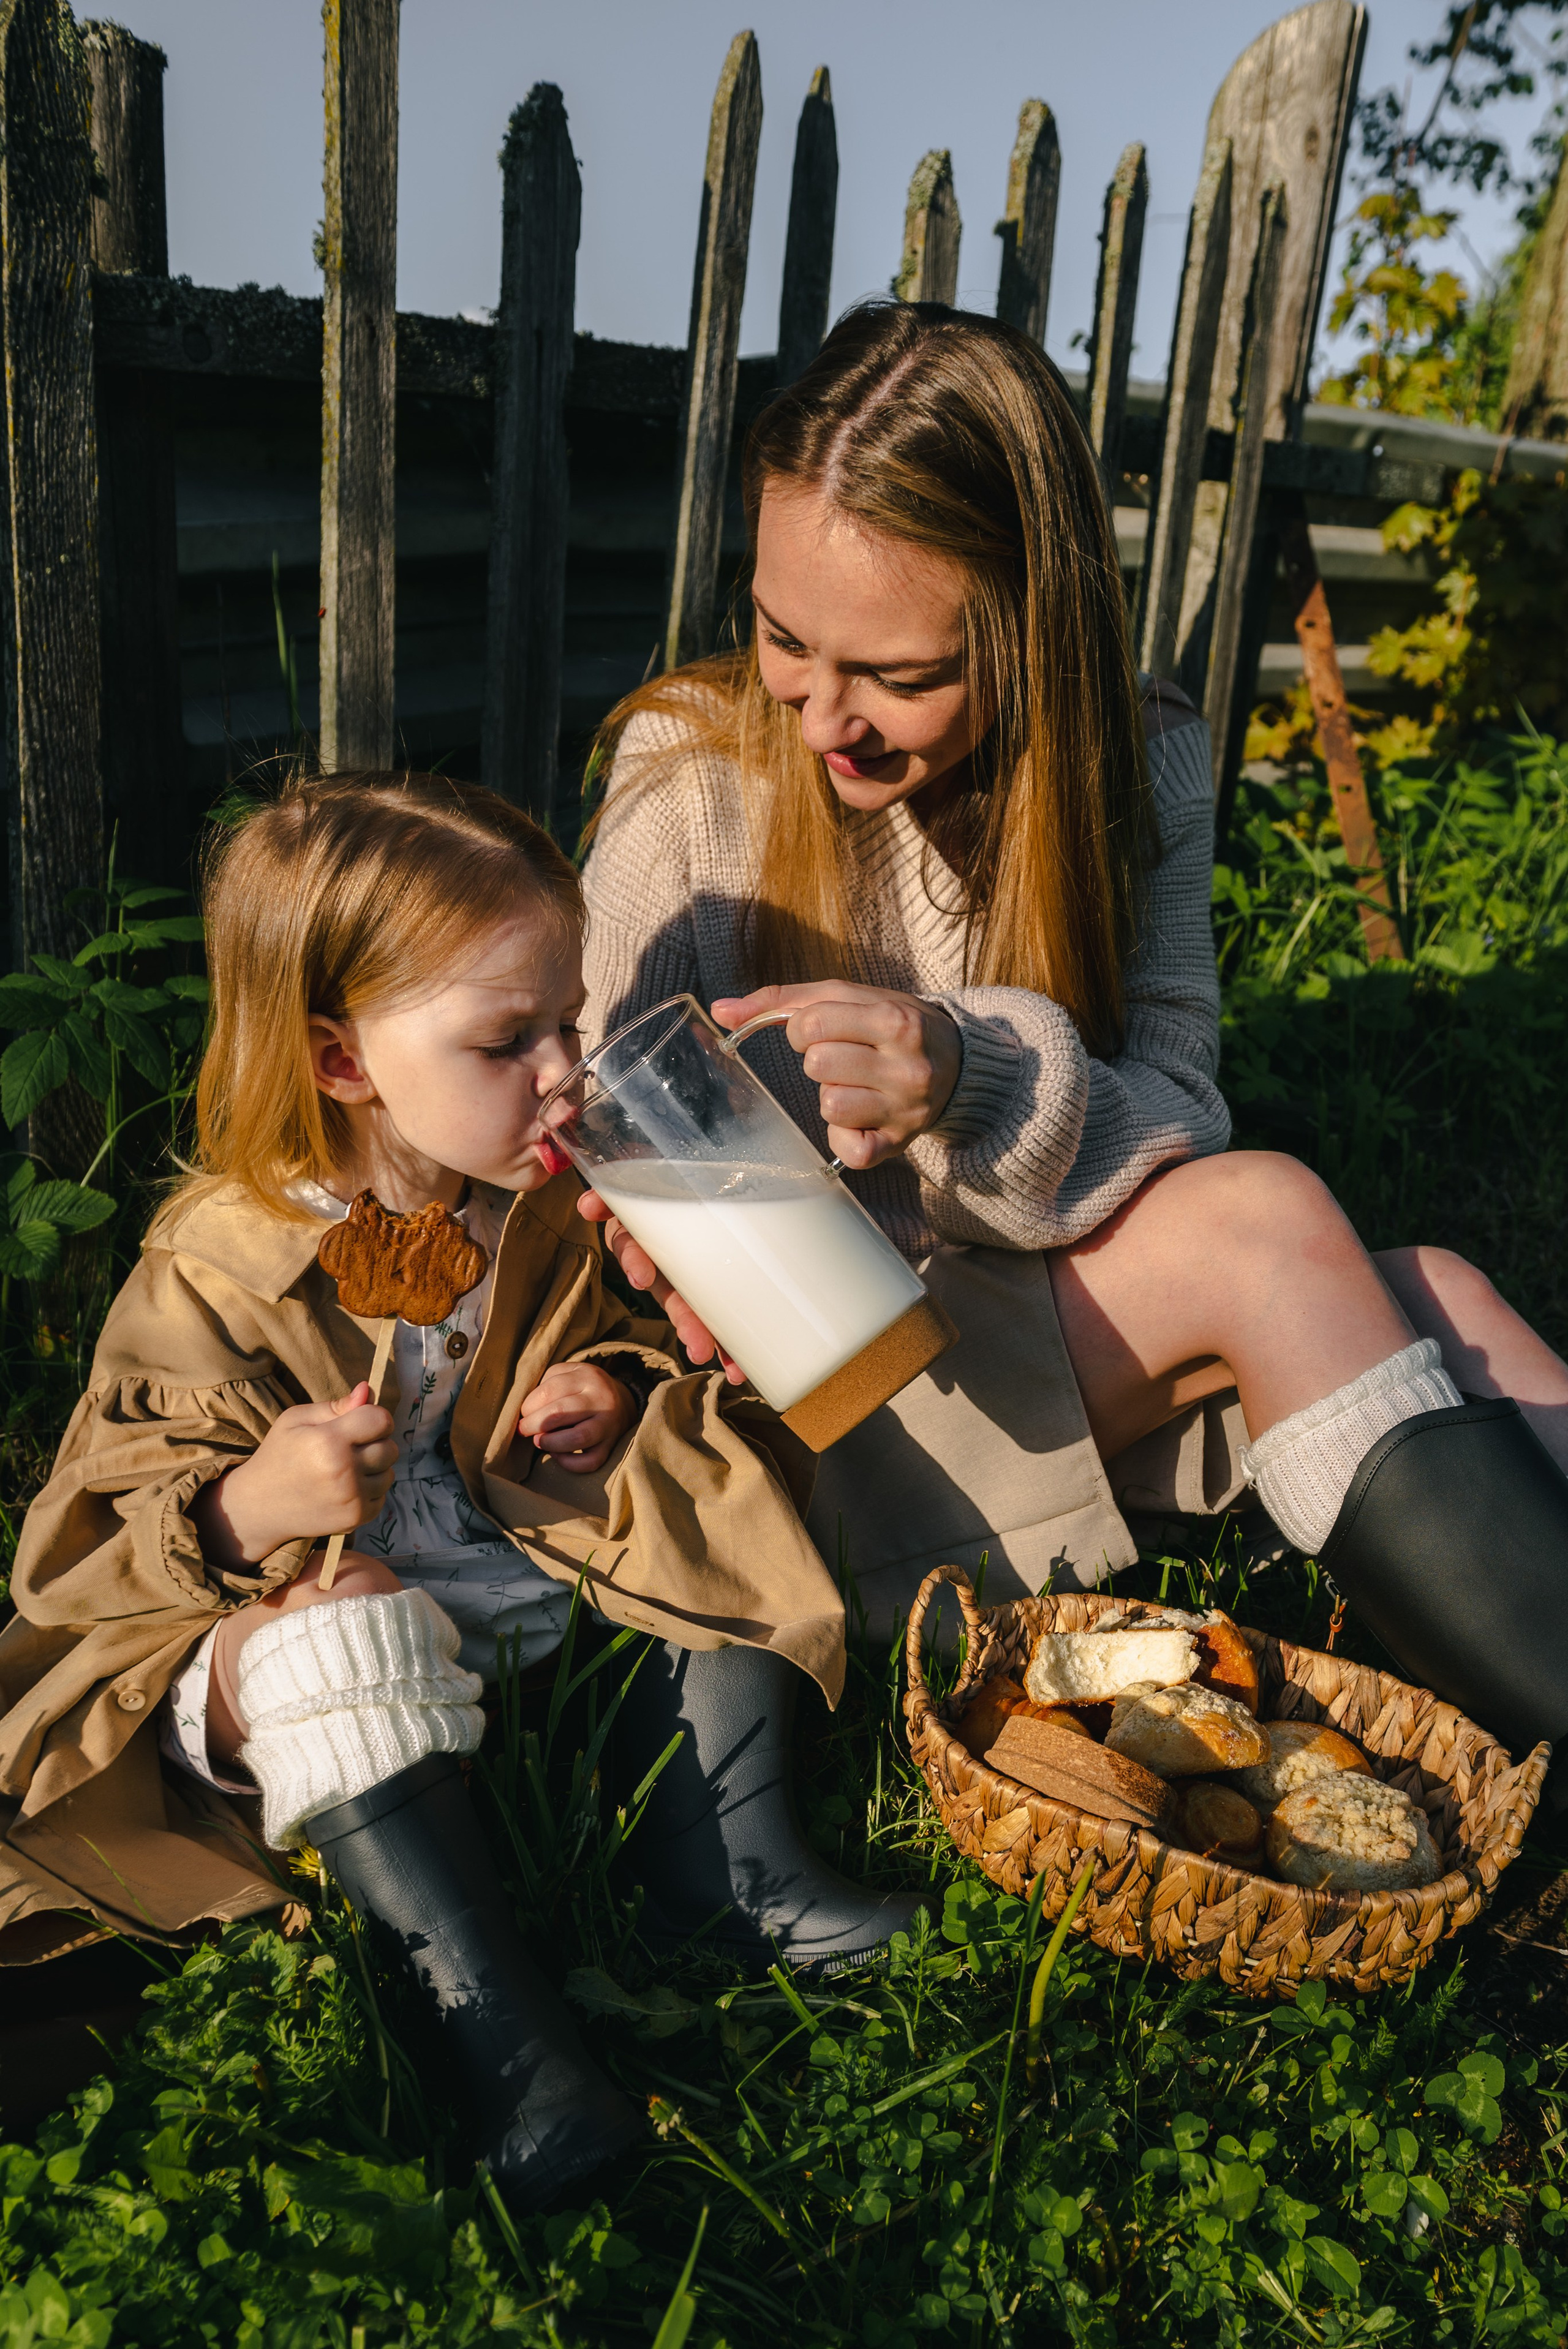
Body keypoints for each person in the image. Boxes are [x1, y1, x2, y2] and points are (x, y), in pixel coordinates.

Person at [578, 299, 1568, 1781]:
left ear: (1031, 620)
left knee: (1445, 1295)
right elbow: (572, 1138)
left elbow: (1176, 1103)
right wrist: (638, 1226)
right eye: (786, 639)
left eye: (901, 676)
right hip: (804, 1419)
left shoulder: (1133, 760)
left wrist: (970, 1080)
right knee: (1269, 1230)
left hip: (1015, 1330)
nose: (824, 720)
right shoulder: (689, 784)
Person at [0, 773, 916, 2214]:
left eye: (571, 1018)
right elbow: (89, 1544)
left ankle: (729, 1868)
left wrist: (609, 1396)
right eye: (509, 1039)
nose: (564, 1068)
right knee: (337, 1623)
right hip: (277, 1650)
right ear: (341, 1060)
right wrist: (254, 1500)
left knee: (692, 1452)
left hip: (503, 1567)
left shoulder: (543, 1194)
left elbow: (622, 1344)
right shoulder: (220, 1263)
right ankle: (500, 2039)